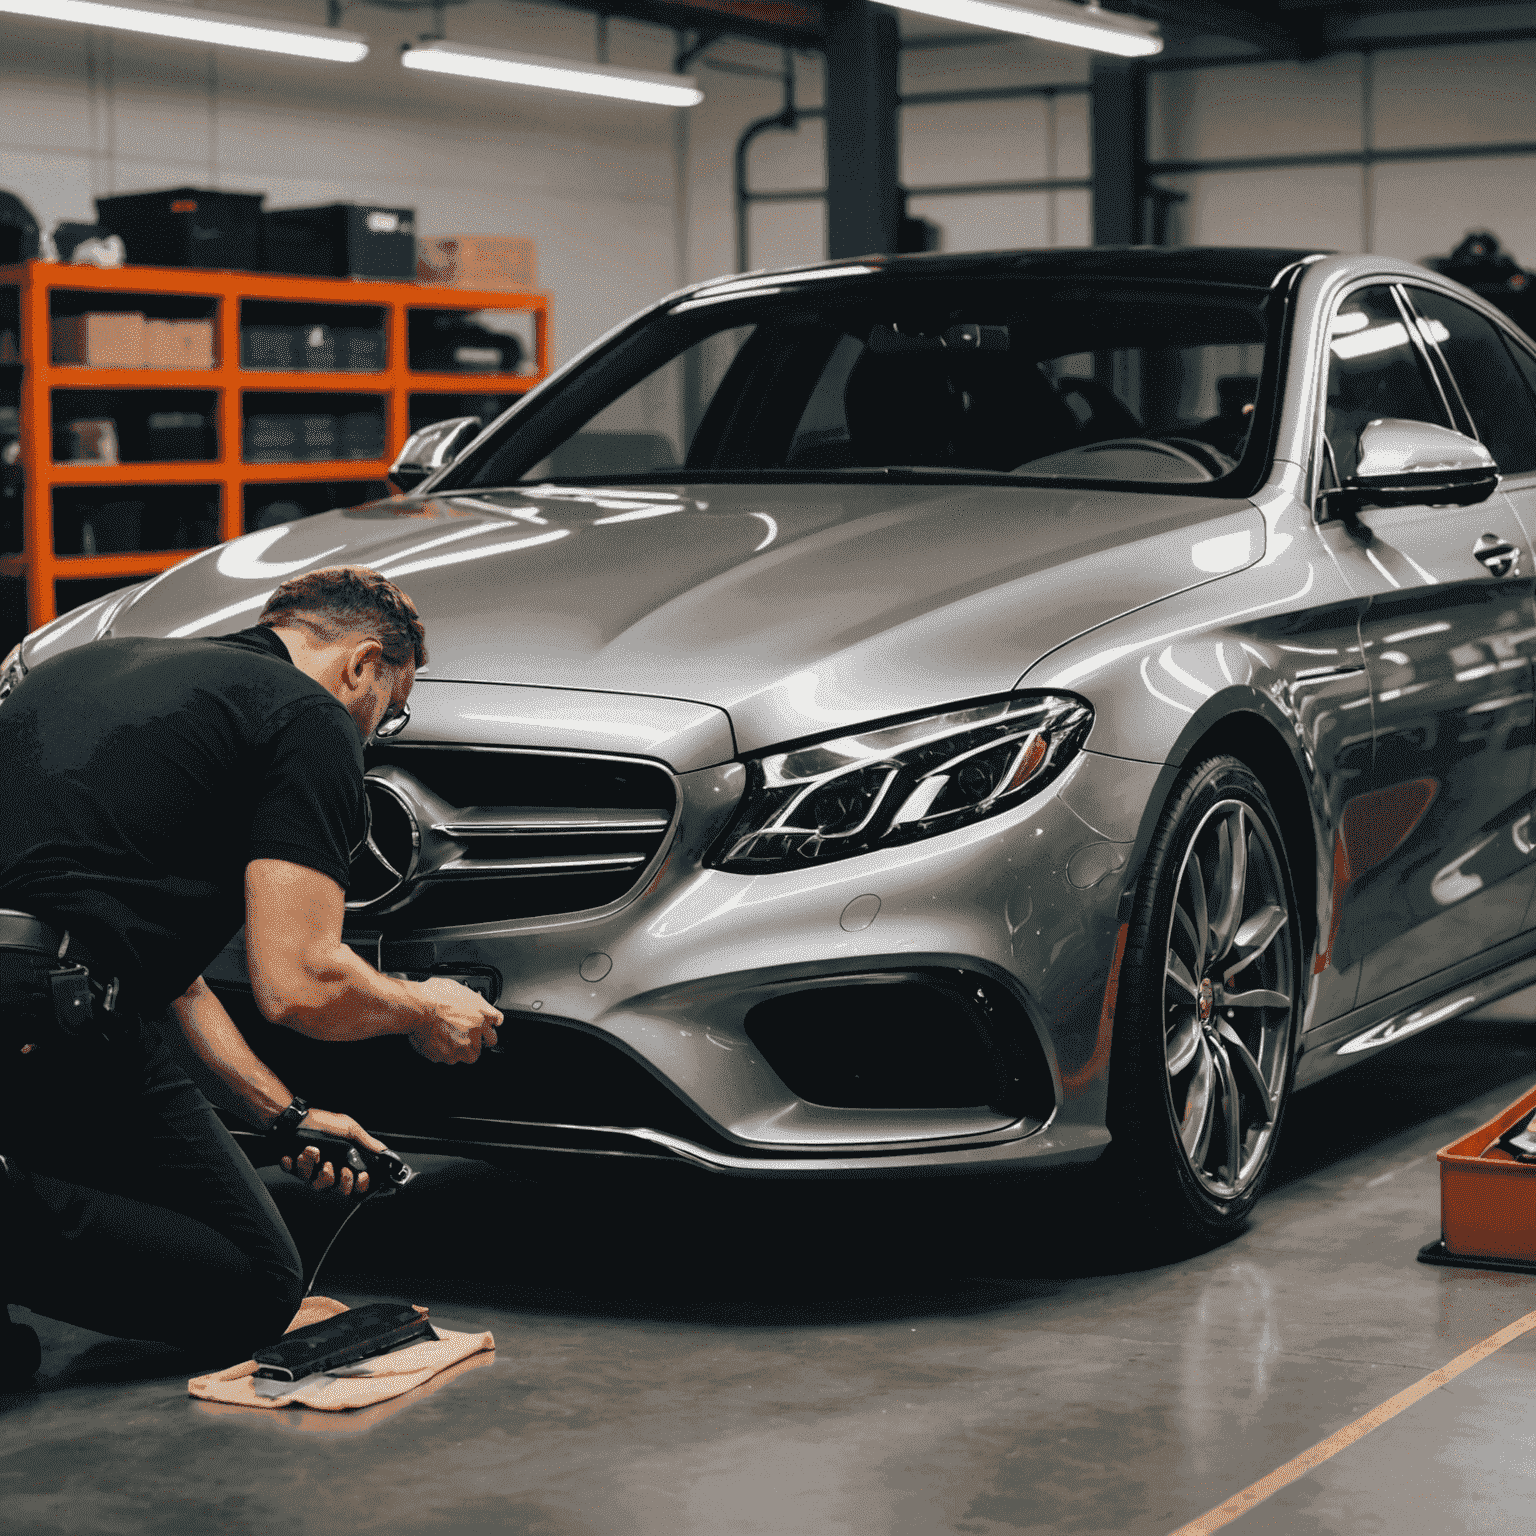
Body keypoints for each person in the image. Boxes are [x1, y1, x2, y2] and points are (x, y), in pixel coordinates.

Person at [0, 565, 503, 1384]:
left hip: (49, 999)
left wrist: (283, 1116)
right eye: (392, 707)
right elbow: (299, 984)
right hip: (40, 1015)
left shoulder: (89, 671)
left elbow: (158, 976)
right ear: (361, 663)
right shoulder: (308, 717)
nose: (375, 732)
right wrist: (425, 1006)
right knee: (253, 1288)